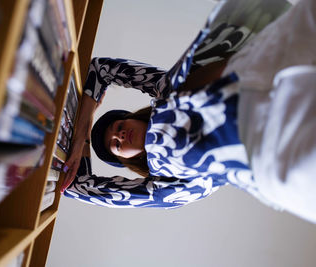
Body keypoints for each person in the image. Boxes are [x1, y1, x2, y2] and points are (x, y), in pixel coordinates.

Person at [61, 0, 316, 223]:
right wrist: (79, 149)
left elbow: (102, 69)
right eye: (115, 146)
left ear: (128, 118)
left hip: (267, 63)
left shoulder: (164, 92)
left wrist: (83, 126)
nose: (119, 137)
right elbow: (78, 187)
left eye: (117, 128)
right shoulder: (167, 188)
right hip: (272, 149)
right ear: (125, 159)